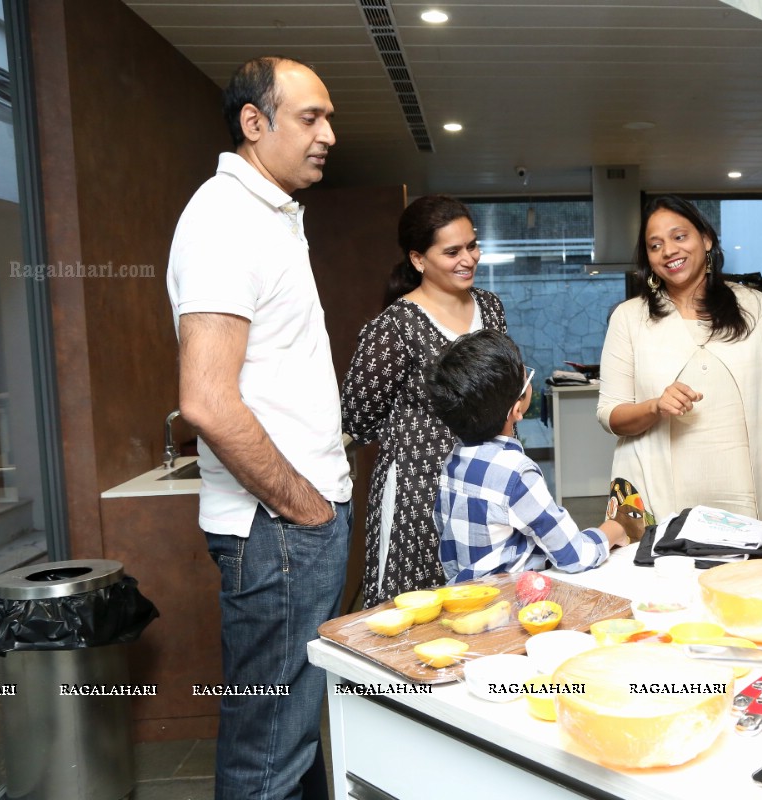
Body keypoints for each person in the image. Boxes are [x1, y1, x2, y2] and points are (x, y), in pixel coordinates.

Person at [167, 56, 350, 799]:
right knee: (267, 751)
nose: (329, 134)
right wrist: (304, 508)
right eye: (311, 118)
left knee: (293, 740)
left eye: (328, 117)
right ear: (255, 123)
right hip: (279, 529)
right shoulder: (225, 216)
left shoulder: (268, 213)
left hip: (292, 528)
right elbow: (207, 401)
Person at [596, 195, 762, 542]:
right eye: (655, 245)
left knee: (747, 591)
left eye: (679, 237)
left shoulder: (758, 309)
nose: (668, 250)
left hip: (749, 500)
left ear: (706, 239)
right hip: (658, 500)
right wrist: (655, 406)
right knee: (663, 596)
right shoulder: (629, 318)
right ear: (648, 258)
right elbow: (610, 415)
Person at [342, 195, 506, 607]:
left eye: (472, 245)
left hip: (486, 482)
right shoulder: (396, 325)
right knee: (415, 611)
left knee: (482, 604)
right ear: (418, 259)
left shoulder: (490, 308)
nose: (468, 258)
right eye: (451, 251)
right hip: (418, 492)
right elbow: (357, 418)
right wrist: (420, 437)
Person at [427, 329, 640, 581]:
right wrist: (615, 528)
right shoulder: (515, 474)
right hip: (511, 605)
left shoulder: (453, 460)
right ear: (517, 409)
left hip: (465, 598)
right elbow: (574, 556)